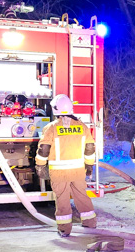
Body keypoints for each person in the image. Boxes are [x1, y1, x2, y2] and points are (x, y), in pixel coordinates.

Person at [35, 94, 97, 236]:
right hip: (78, 171)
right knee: (82, 196)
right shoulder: (82, 126)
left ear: (55, 109)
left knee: (62, 199)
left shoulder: (51, 128)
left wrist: (40, 165)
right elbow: (90, 148)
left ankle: (64, 230)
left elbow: (44, 149)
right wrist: (89, 165)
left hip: (59, 172)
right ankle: (90, 223)